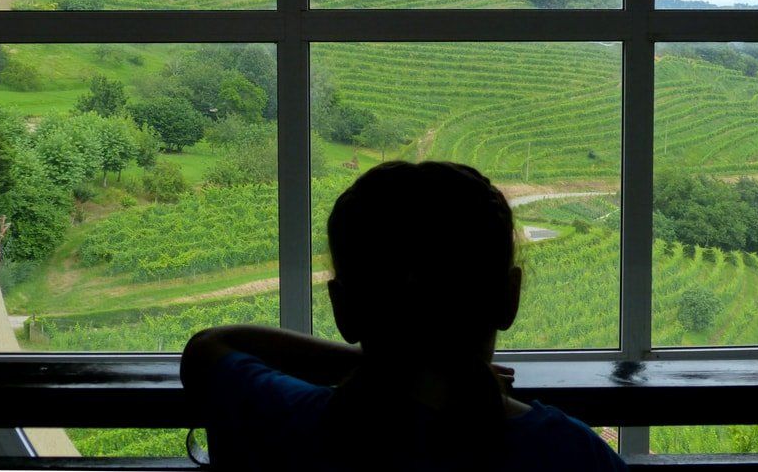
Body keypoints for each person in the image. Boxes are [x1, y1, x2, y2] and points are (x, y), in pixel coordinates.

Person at [181, 160, 625, 471]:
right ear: (509, 298)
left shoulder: (281, 422)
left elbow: (210, 346)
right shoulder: (572, 455)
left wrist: (385, 363)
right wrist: (438, 365)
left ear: (342, 309)